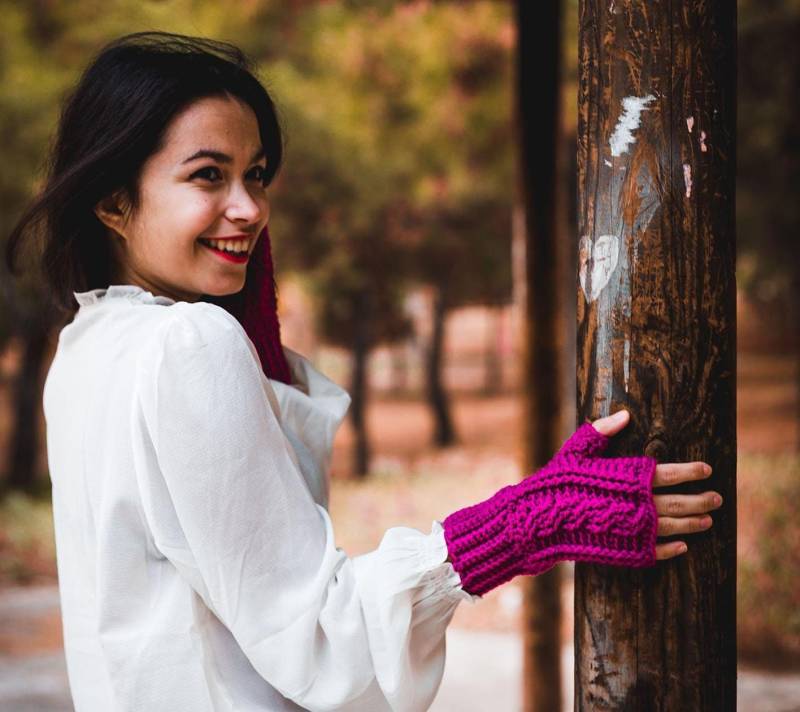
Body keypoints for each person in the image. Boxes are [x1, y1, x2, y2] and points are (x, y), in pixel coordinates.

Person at [5, 32, 723, 712]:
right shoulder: (187, 343)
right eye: (207, 176)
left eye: (256, 176)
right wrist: (523, 523)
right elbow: (320, 635)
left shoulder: (86, 347)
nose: (250, 209)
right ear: (112, 200)